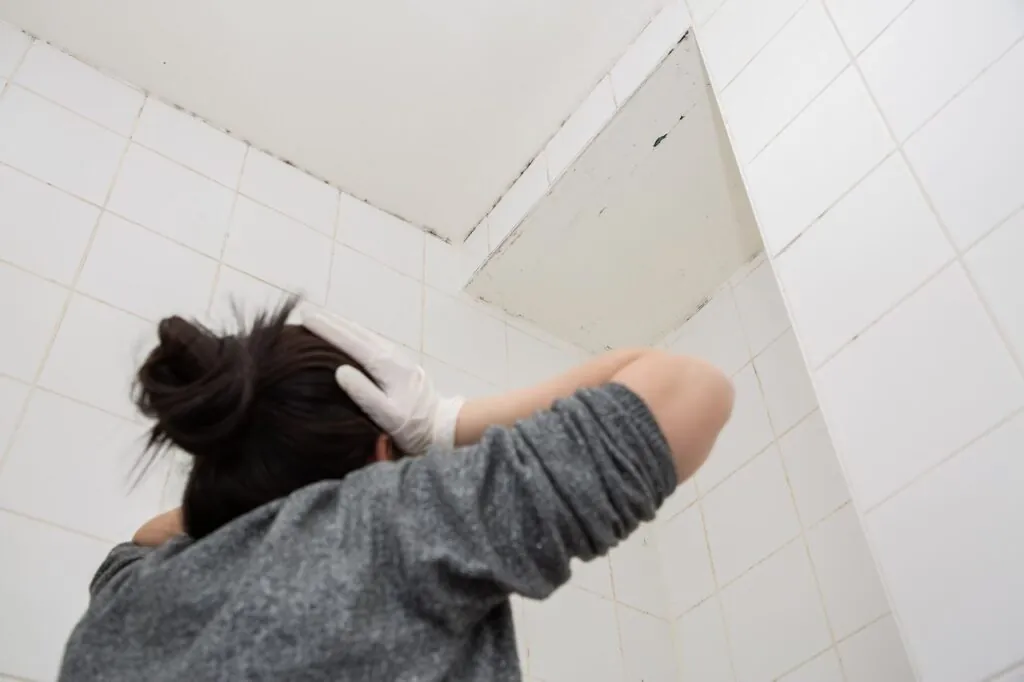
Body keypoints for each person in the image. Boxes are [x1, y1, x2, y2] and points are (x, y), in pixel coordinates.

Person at [58, 297, 734, 682]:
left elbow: (147, 537)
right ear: (384, 457)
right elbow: (687, 387)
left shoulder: (122, 601)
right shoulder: (380, 534)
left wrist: (247, 490)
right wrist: (442, 425)